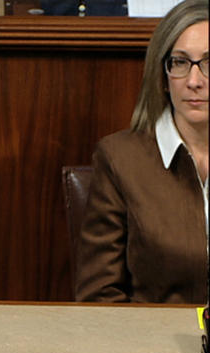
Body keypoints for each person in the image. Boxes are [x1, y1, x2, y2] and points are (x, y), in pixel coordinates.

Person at [75, 0, 209, 304]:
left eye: (209, 63)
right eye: (180, 63)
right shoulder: (120, 158)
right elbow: (99, 298)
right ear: (162, 76)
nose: (193, 81)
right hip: (156, 348)